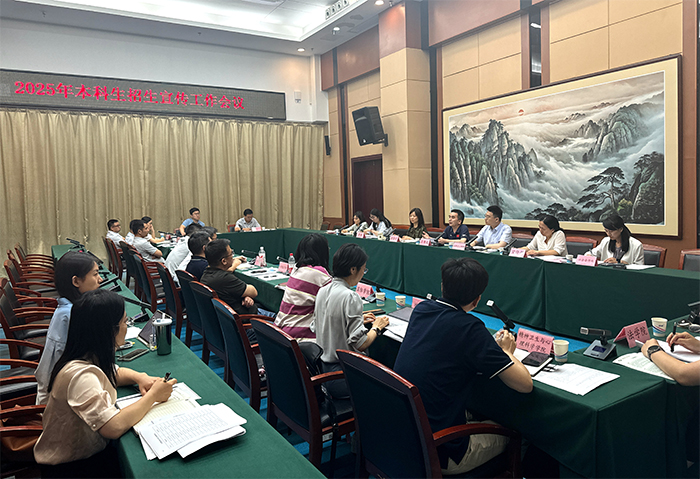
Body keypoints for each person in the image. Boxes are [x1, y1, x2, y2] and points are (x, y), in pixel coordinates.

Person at [394, 257, 533, 475]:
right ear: (477, 300)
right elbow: (525, 385)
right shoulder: (470, 328)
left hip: (404, 433)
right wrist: (506, 351)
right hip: (442, 450)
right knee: (522, 433)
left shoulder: (422, 309)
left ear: (442, 286)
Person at [34, 289, 176, 476]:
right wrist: (153, 396)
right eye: (125, 322)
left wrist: (139, 377)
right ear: (108, 331)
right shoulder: (80, 376)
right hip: (72, 467)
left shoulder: (86, 355)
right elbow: (113, 427)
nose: (127, 326)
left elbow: (113, 372)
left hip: (87, 454)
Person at [313, 243, 389, 398]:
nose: (363, 274)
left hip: (323, 369)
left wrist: (358, 319)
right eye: (363, 269)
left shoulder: (322, 290)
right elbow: (361, 344)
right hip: (344, 374)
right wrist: (376, 327)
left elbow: (321, 323)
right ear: (353, 269)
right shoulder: (350, 297)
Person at [35, 252, 103, 405]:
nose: (100, 279)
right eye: (95, 274)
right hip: (61, 399)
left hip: (63, 386)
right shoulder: (72, 314)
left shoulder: (68, 307)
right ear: (76, 281)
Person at [274, 234, 332, 341]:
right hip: (301, 338)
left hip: (282, 332)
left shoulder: (296, 269)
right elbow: (335, 304)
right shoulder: (319, 274)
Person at [200, 238, 258, 315]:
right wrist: (247, 294)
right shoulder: (224, 278)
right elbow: (253, 292)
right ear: (224, 261)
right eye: (231, 254)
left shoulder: (206, 274)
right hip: (245, 317)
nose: (233, 257)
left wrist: (244, 296)